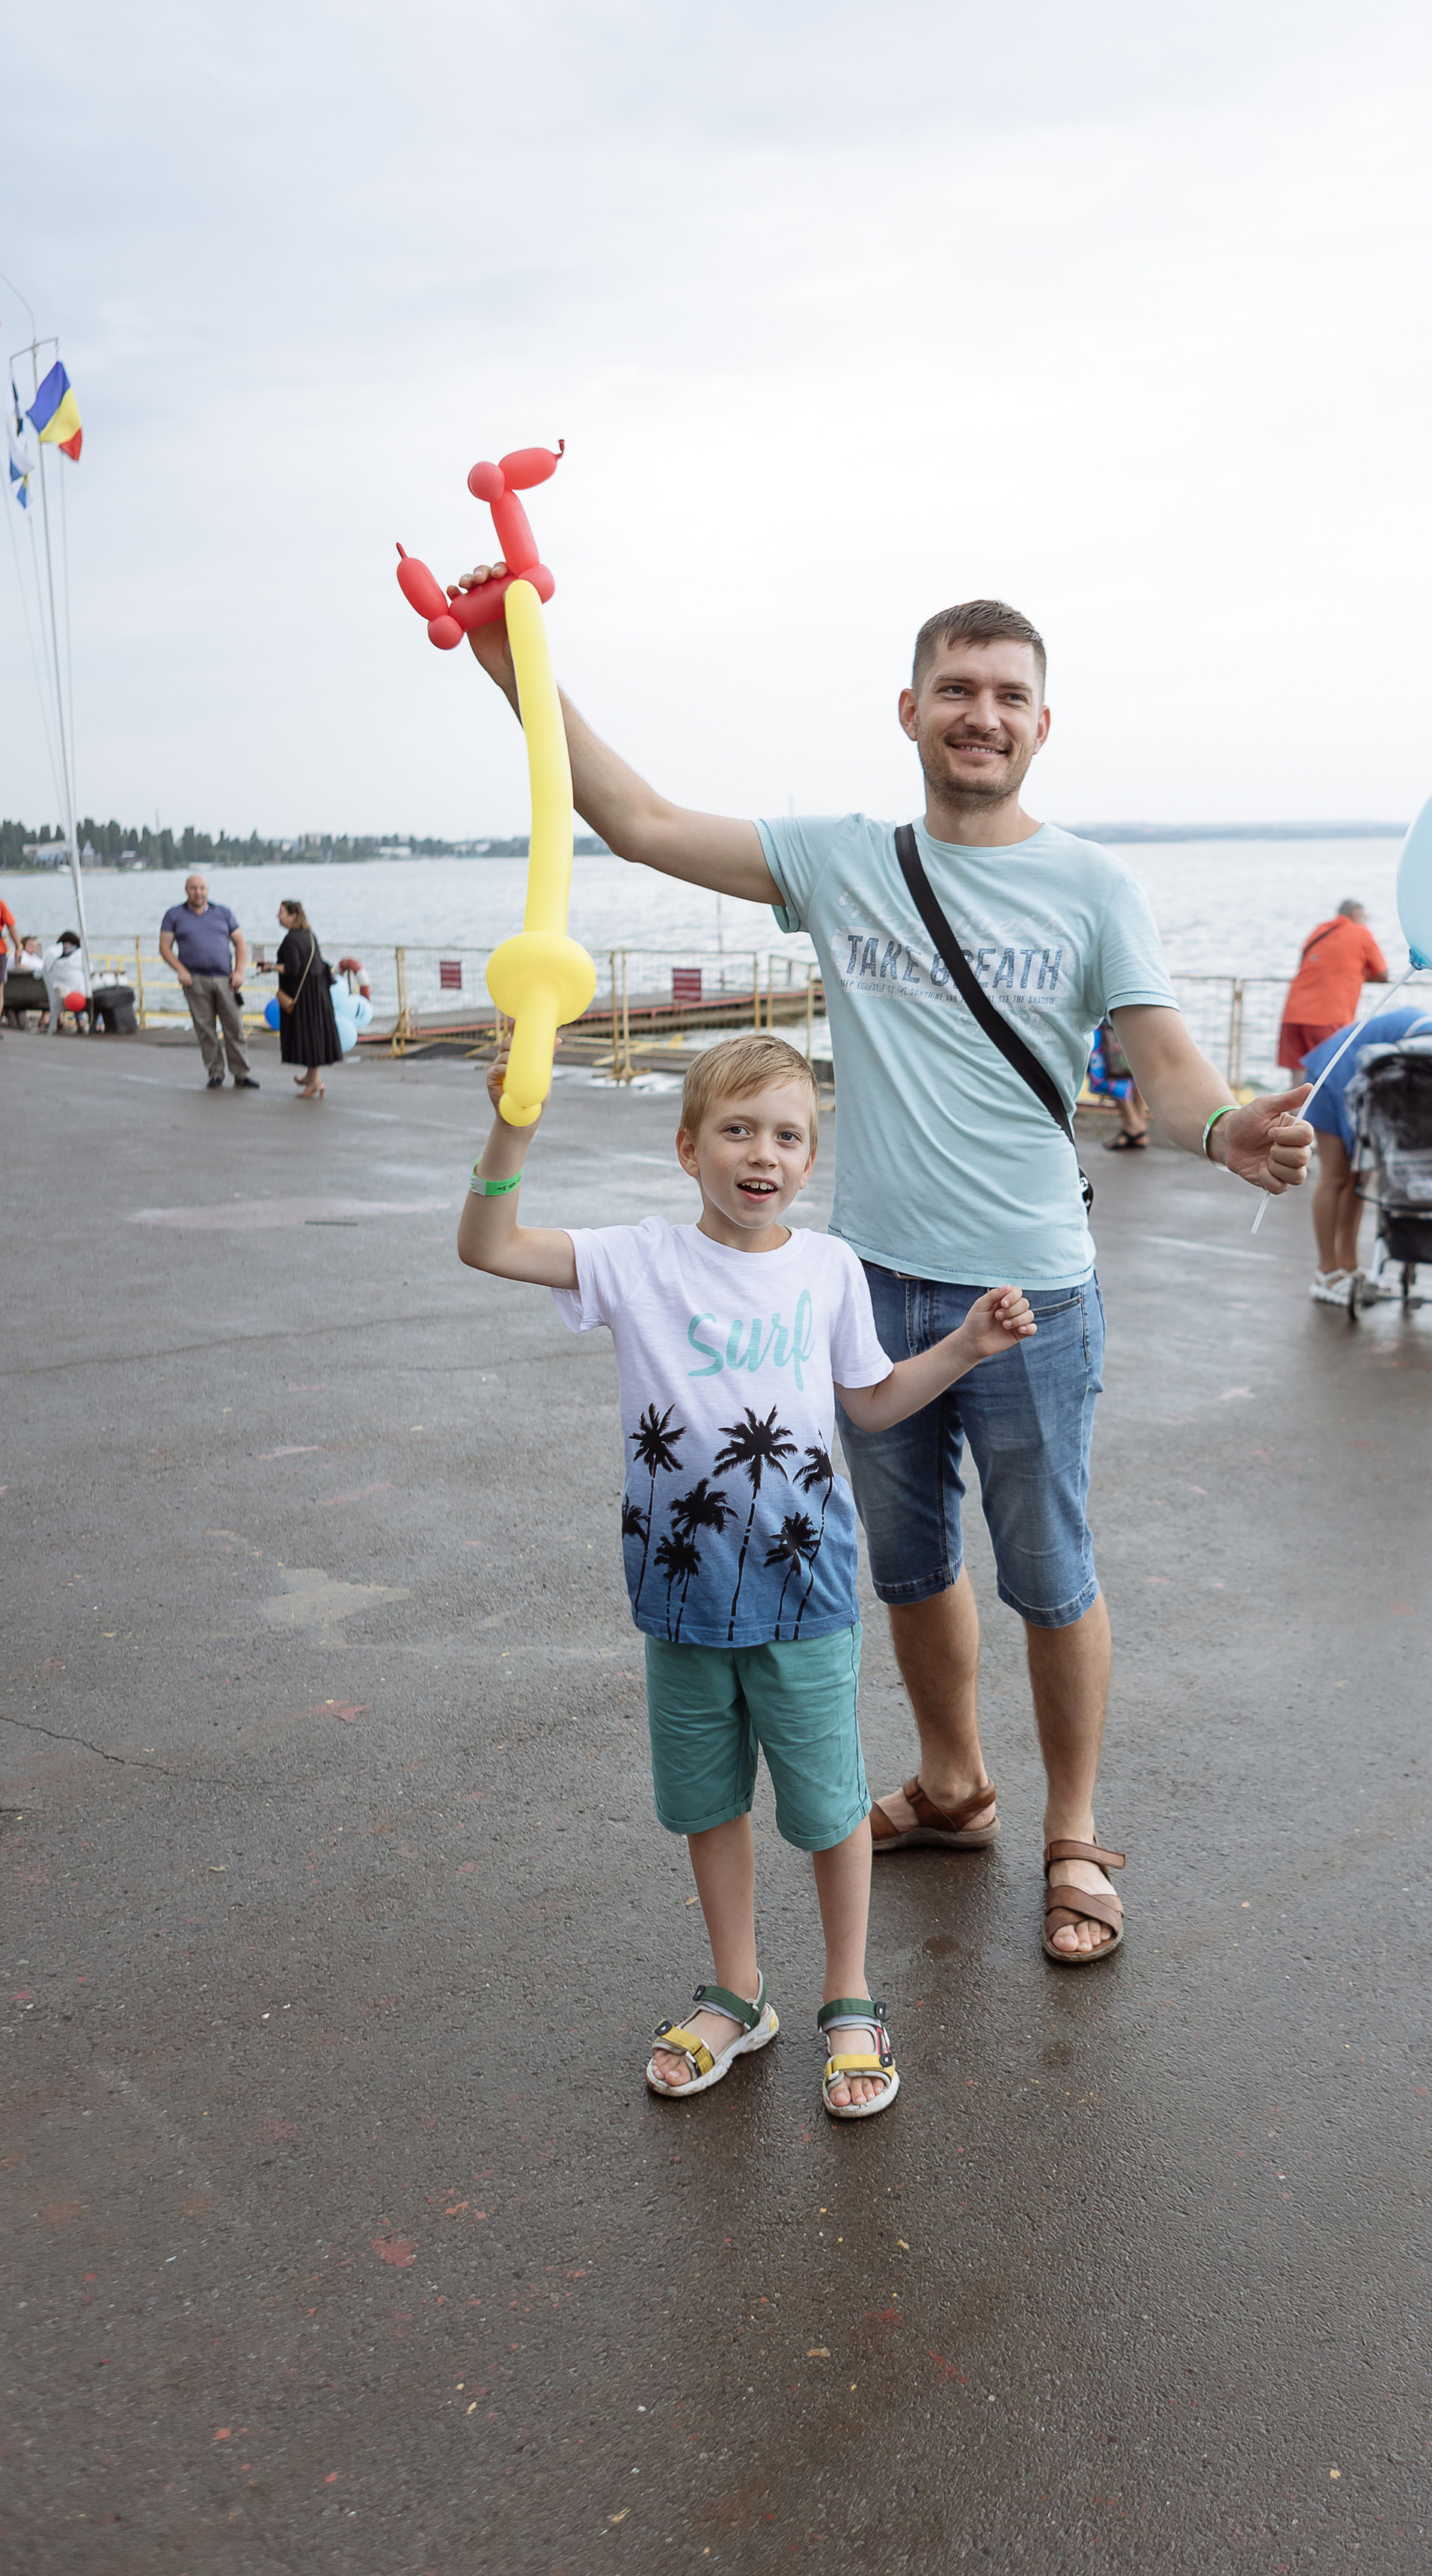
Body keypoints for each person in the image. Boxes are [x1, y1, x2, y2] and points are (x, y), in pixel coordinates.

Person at [458, 583, 1314, 1966]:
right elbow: (642, 821)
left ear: (1044, 725)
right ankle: (956, 1786)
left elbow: (1165, 1064)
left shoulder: (1096, 886)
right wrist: (516, 663)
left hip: (1033, 1295)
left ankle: (1075, 1834)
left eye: (1011, 695)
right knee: (910, 1567)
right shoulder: (842, 860)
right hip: (870, 1287)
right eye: (958, 690)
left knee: (1051, 1573)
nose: (984, 715)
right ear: (910, 711)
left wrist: (1225, 1130)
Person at [458, 1029, 1035, 2116]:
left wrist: (963, 1347)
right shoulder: (637, 1259)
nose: (761, 1153)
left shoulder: (828, 1269)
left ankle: (849, 1998)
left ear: (810, 1159)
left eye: (787, 1136)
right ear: (689, 1149)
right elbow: (488, 1244)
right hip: (678, 1593)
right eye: (735, 1130)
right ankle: (738, 1991)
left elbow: (870, 1402)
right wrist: (513, 1126)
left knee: (829, 1809)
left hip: (805, 1593)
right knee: (707, 1802)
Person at [1300, 1010, 1432, 1298]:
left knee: (1358, 1180)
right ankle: (1326, 1273)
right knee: (1336, 1176)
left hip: (1357, 1083)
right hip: (1331, 1075)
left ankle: (1349, 1267)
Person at [158, 874, 256, 1089]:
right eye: (194, 888)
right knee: (206, 1030)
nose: (198, 892)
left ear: (207, 890)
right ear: (186, 890)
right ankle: (215, 1073)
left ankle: (242, 1074)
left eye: (202, 888)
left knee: (235, 1027)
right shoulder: (174, 915)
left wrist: (239, 971)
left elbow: (240, 943)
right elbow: (165, 948)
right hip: (195, 981)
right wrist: (181, 970)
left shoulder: (223, 913)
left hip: (226, 980)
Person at [1277, 899, 1390, 1081]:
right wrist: (1359, 974)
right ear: (1356, 916)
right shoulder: (1361, 932)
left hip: (1293, 1014)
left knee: (1298, 1078)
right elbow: (1383, 974)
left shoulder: (1319, 930)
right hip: (1328, 1017)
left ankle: (1299, 1101)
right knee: (1333, 1075)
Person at [274, 900, 343, 1099]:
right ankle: (313, 1078)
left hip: (303, 997)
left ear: (293, 915)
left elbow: (292, 969)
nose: (278, 916)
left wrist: (272, 967)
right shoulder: (309, 936)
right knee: (314, 1035)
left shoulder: (291, 939)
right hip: (318, 993)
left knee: (307, 1036)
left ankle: (314, 1082)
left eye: (281, 912)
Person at [1087, 1016, 1150, 1150]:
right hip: (1138, 1015)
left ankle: (1134, 1126)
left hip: (1112, 1020)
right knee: (1133, 1069)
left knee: (1112, 1070)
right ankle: (1137, 1128)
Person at [46, 928, 93, 1034]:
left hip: (56, 997)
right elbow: (90, 969)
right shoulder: (79, 955)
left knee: (72, 990)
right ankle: (88, 1025)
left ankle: (59, 1023)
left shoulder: (52, 957)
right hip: (78, 997)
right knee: (89, 994)